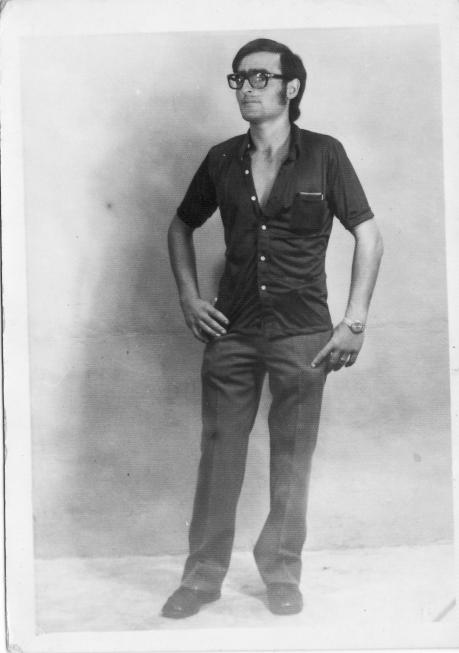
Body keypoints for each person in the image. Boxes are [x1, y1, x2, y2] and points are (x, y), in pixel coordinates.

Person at [162, 38, 383, 619]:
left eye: (261, 77)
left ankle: (282, 573)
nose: (247, 88)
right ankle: (202, 578)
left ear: (293, 87)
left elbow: (368, 234)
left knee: (292, 457)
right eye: (239, 78)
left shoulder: (325, 154)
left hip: (304, 335)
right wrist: (189, 299)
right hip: (231, 333)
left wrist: (354, 321)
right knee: (219, 455)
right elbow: (181, 226)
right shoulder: (221, 159)